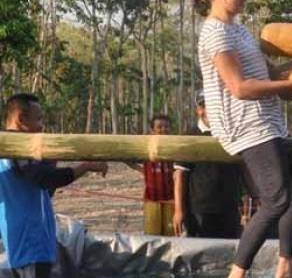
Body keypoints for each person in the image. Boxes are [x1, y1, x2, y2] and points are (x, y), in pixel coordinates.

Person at [194, 0, 292, 278]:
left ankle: (285, 265)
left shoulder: (239, 31)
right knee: (278, 199)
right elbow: (240, 87)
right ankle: (236, 274)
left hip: (267, 122)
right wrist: (290, 84)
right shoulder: (215, 33)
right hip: (246, 126)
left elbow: (269, 75)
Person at [0, 93, 108, 278]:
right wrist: (86, 166)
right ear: (21, 119)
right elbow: (45, 179)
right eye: (39, 119)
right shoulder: (16, 150)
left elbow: (44, 190)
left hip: (30, 243)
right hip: (31, 243)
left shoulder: (13, 153)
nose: (42, 126)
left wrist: (51, 159)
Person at [172, 91, 243, 238]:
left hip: (230, 207)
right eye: (212, 107)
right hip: (200, 209)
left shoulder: (232, 135)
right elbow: (180, 175)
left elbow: (243, 170)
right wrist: (179, 210)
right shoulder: (190, 136)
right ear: (200, 110)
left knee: (231, 252)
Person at [126, 115, 175, 236]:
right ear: (152, 130)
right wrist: (144, 171)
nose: (163, 129)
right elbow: (128, 159)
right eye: (159, 127)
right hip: (151, 199)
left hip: (171, 199)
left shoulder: (175, 147)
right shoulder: (146, 147)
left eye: (166, 127)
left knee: (171, 234)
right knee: (152, 234)